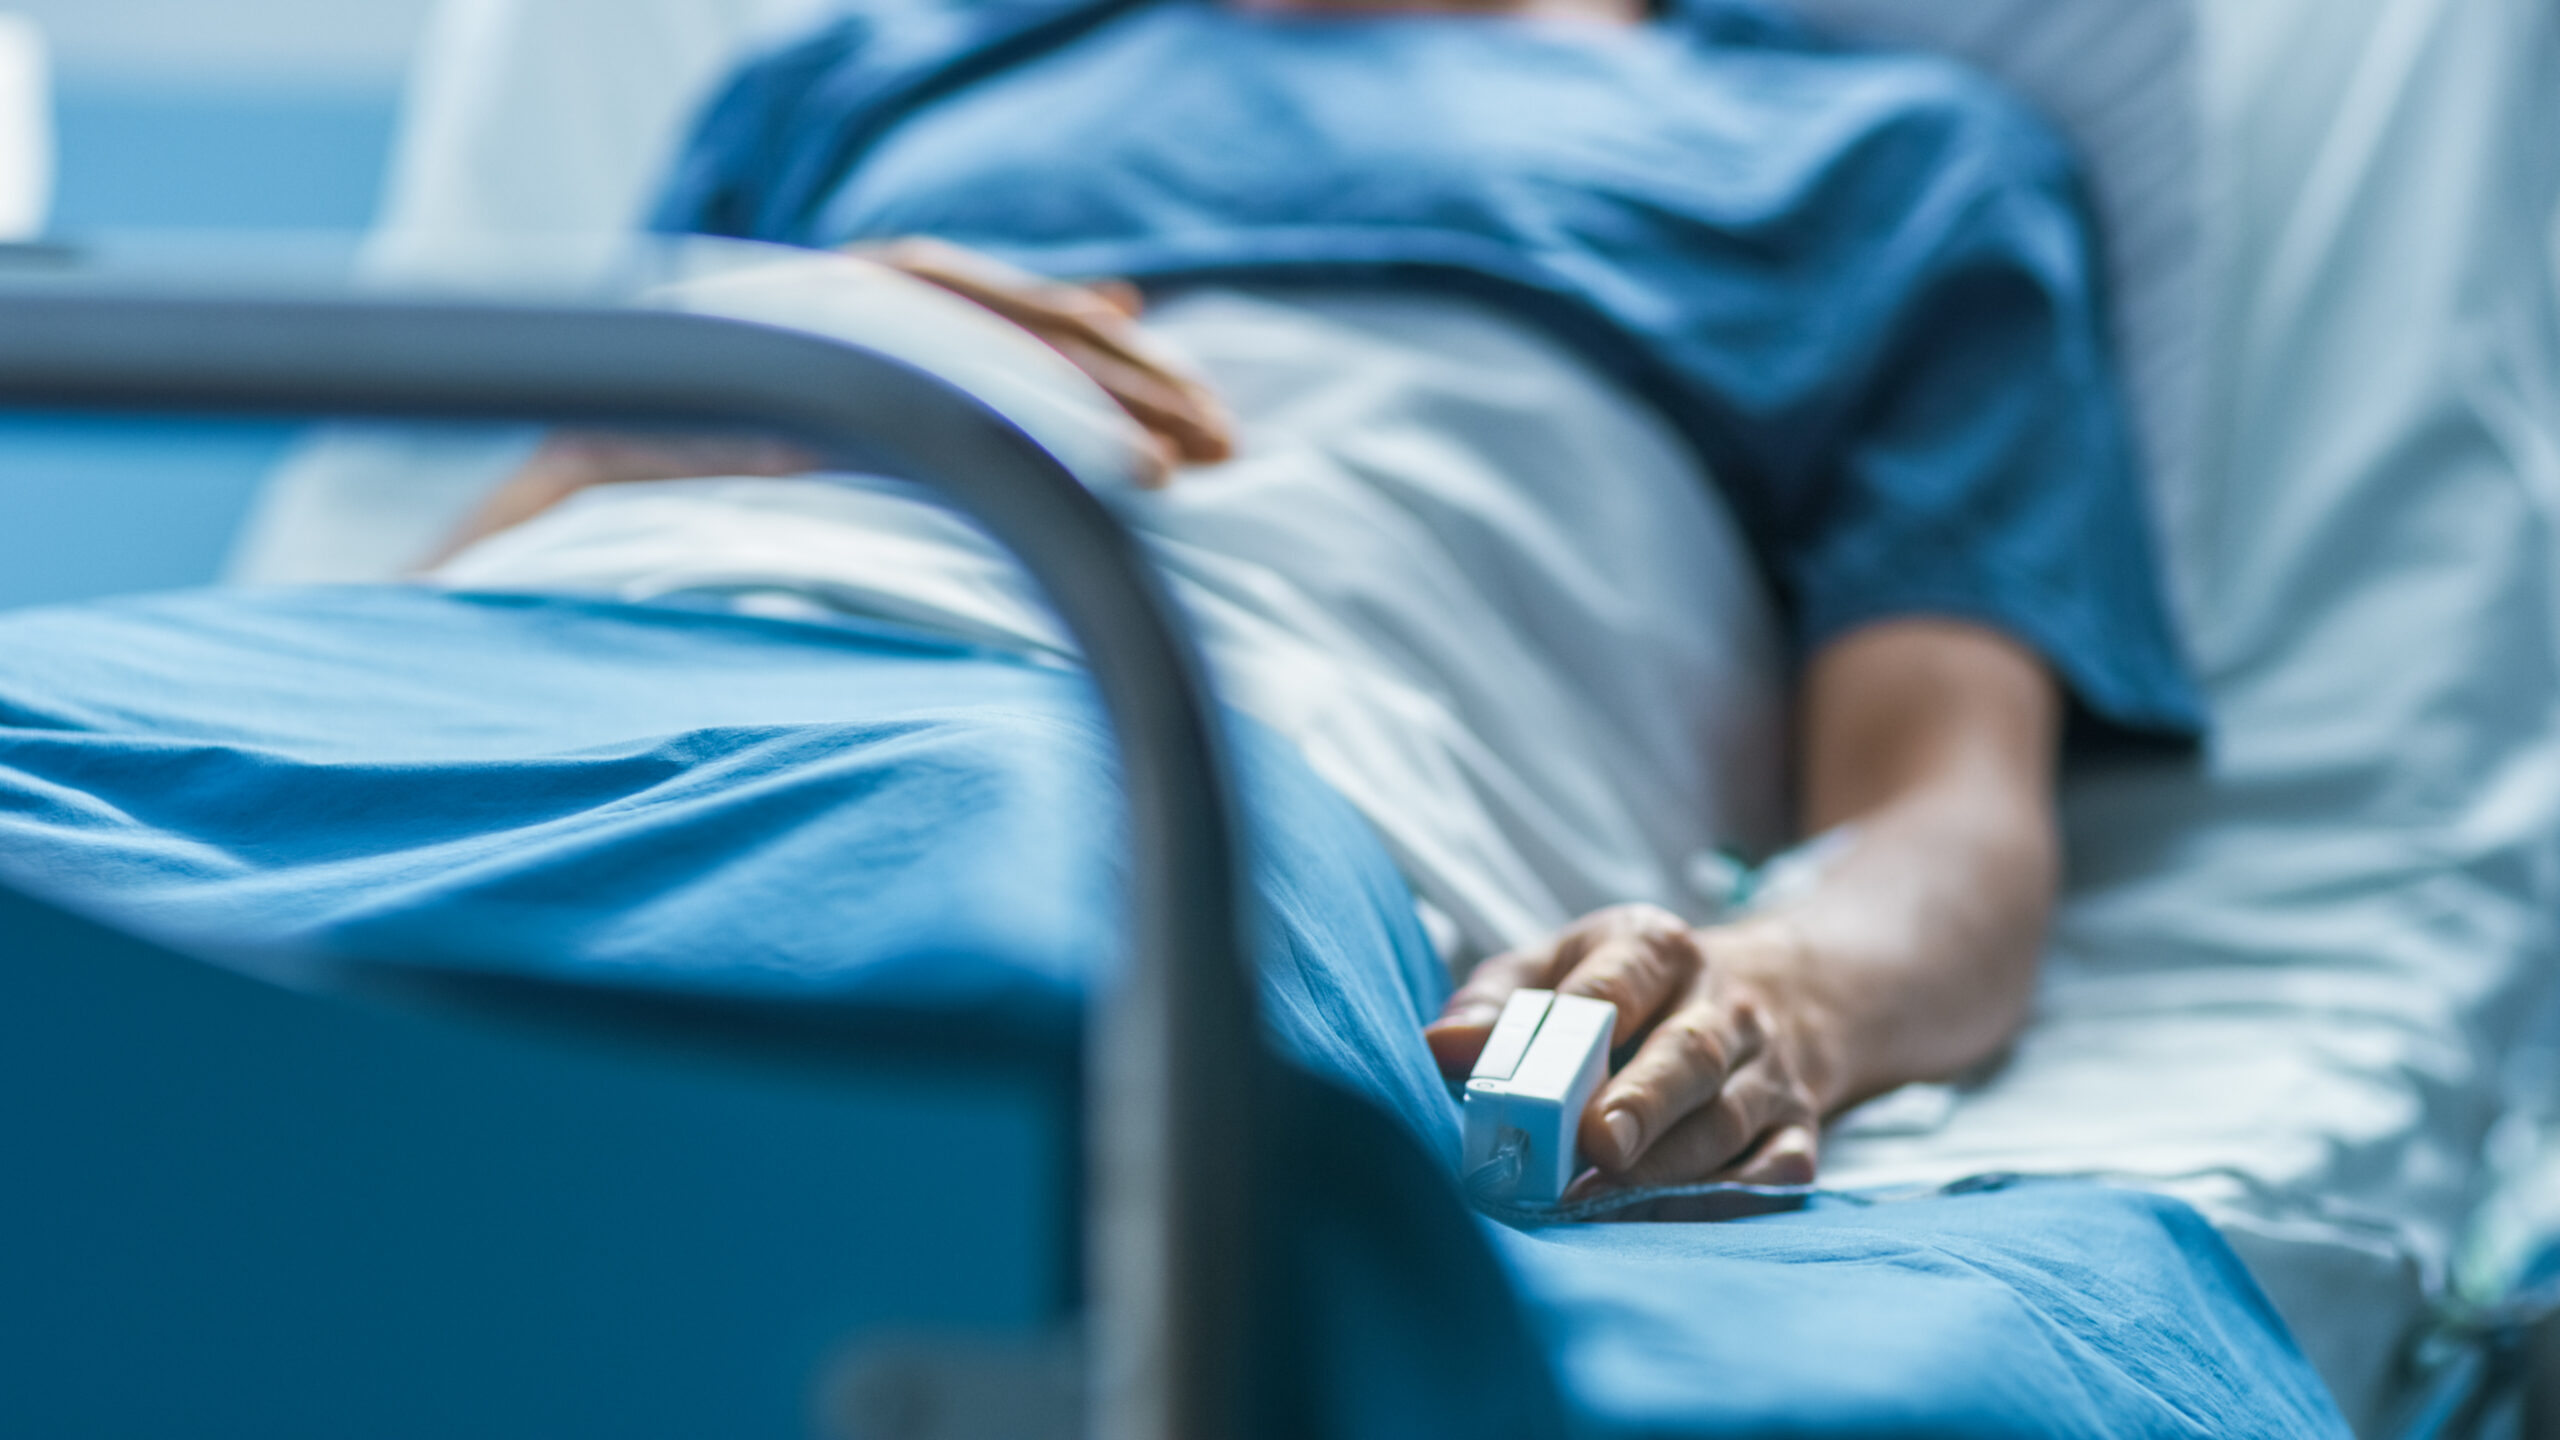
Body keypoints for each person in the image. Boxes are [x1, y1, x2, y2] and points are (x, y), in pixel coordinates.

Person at [430, 0, 2203, 1201]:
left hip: (1160, 746)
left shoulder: (1883, 162)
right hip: (521, 677)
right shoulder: (859, 80)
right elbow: (424, 601)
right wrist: (693, 395)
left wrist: (1776, 993)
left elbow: (1941, 808)